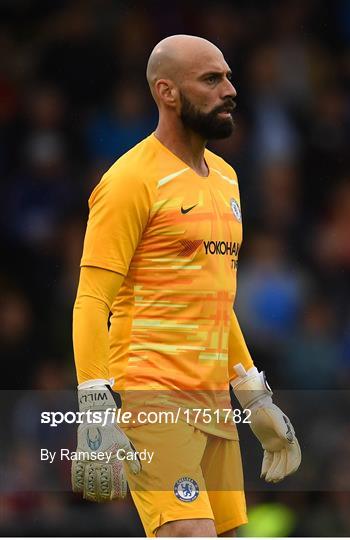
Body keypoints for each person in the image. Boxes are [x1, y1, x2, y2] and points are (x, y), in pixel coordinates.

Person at [71, 34, 301, 538]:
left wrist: (254, 397)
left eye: (228, 76)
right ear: (167, 92)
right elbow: (91, 300)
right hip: (152, 395)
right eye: (211, 79)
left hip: (213, 401)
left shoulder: (226, 178)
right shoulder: (129, 180)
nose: (229, 90)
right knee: (187, 533)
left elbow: (217, 302)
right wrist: (95, 403)